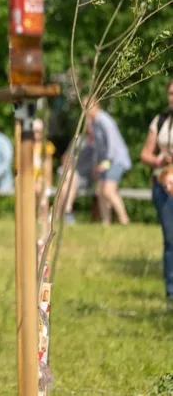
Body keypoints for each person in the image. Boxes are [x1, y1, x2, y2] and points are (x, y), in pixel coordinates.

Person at [139, 79, 173, 304]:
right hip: (163, 187)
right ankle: (171, 291)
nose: (172, 97)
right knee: (171, 239)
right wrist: (160, 159)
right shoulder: (160, 121)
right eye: (170, 93)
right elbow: (144, 154)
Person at [86, 98, 131, 225]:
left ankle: (124, 220)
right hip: (104, 161)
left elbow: (113, 145)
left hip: (115, 160)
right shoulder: (93, 123)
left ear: (95, 105)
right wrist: (96, 164)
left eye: (86, 106)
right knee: (99, 191)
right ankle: (106, 222)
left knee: (108, 191)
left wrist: (105, 164)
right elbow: (98, 146)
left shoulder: (105, 121)